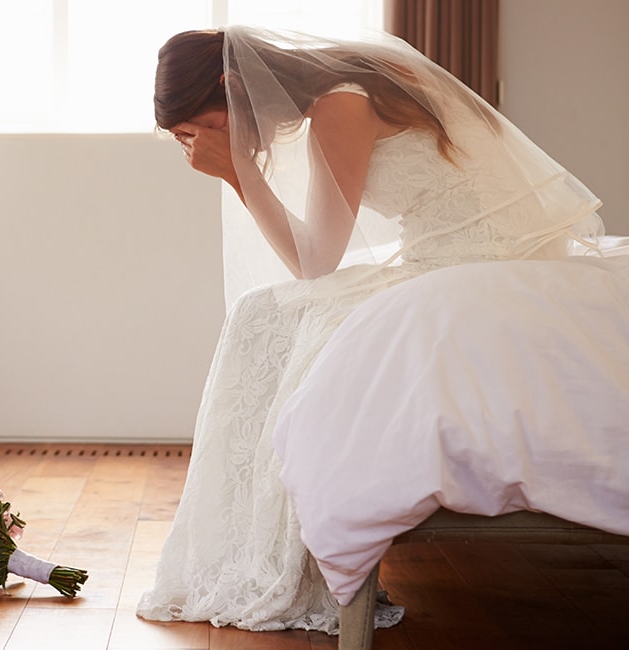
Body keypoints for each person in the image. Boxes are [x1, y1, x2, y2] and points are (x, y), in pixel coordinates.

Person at [136, 25, 605, 633]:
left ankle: (280, 553)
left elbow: (315, 263)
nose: (207, 144)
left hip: (469, 267)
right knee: (269, 311)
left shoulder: (340, 105)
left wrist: (236, 174)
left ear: (232, 87)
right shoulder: (351, 79)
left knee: (267, 314)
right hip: (466, 257)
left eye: (204, 130)